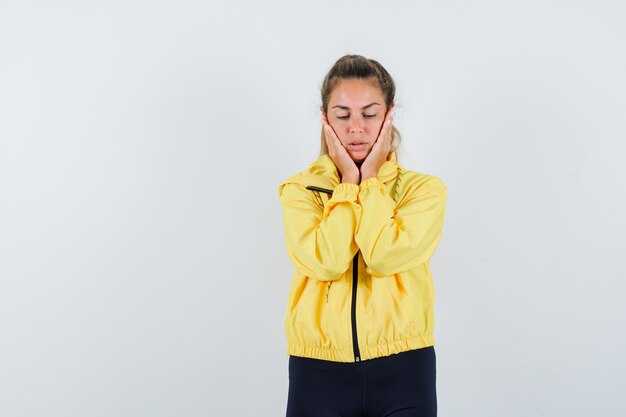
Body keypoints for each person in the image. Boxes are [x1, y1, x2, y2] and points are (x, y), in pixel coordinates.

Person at [277, 54, 448, 417]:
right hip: (317, 372)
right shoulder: (301, 190)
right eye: (343, 115)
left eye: (369, 115)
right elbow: (326, 261)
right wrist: (347, 186)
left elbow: (384, 256)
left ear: (389, 115)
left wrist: (369, 182)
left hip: (405, 368)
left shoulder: (423, 191)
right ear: (325, 119)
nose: (356, 128)